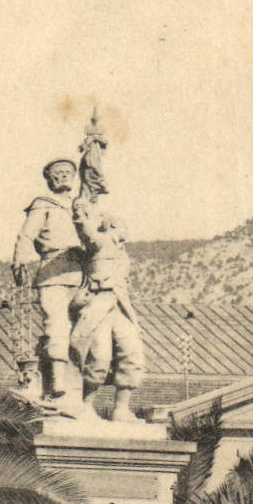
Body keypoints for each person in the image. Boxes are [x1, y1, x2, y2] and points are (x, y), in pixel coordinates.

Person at [69, 119, 144, 423]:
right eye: (120, 226)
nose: (125, 231)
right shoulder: (99, 243)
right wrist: (92, 157)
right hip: (99, 302)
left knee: (132, 355)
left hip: (120, 305)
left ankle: (120, 409)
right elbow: (84, 221)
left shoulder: (123, 254)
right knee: (98, 356)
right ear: (111, 227)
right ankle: (85, 406)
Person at [11, 158, 85, 409]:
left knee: (87, 328)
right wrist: (19, 261)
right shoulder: (43, 204)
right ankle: (57, 384)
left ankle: (83, 387)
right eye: (57, 173)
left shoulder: (81, 205)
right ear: (49, 179)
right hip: (52, 272)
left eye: (67, 172)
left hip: (82, 273)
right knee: (57, 324)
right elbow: (26, 235)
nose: (63, 176)